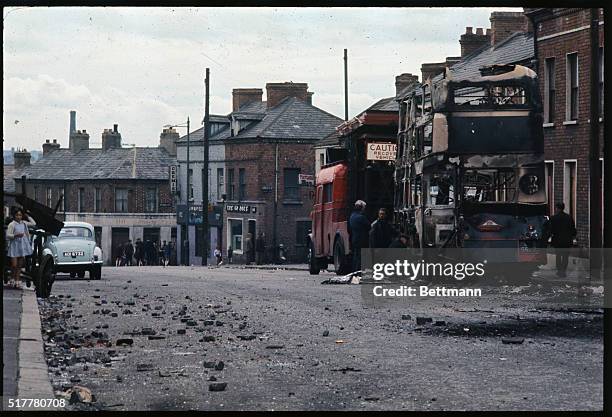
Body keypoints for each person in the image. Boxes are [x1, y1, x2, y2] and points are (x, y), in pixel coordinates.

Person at [6, 208, 36, 288]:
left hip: (22, 246)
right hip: (14, 246)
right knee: (14, 265)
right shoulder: (12, 224)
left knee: (19, 265)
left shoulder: (24, 223)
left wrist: (28, 216)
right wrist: (15, 235)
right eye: (17, 215)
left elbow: (33, 223)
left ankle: (17, 280)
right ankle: (12, 278)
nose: (18, 217)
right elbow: (8, 235)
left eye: (20, 215)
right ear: (14, 216)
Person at [549, 202, 577, 277]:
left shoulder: (553, 218)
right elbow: (573, 230)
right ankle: (563, 271)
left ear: (557, 208)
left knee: (558, 256)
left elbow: (551, 230)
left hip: (557, 240)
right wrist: (573, 237)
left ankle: (559, 271)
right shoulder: (569, 217)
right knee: (565, 256)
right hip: (567, 240)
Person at [348, 200, 371, 273]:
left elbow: (349, 229)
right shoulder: (361, 217)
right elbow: (369, 226)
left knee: (356, 256)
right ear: (361, 207)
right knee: (360, 258)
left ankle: (354, 272)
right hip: (362, 240)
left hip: (354, 239)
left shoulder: (352, 216)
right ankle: (359, 272)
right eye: (364, 207)